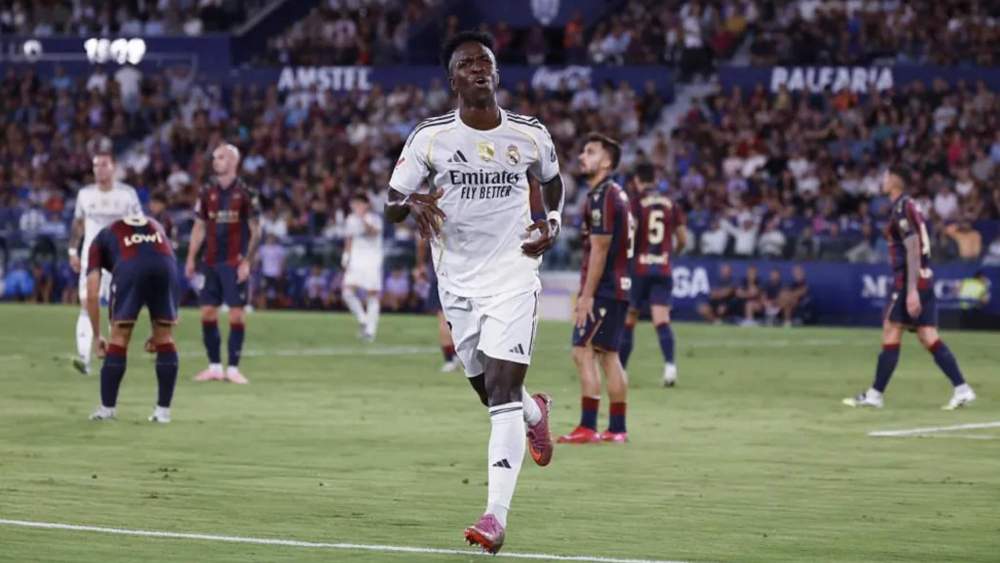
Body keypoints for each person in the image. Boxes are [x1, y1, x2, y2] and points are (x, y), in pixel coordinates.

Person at [384, 31, 563, 554]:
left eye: (485, 62)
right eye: (467, 64)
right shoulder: (430, 137)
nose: (478, 69)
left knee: (502, 393)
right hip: (456, 279)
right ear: (453, 79)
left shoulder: (529, 133)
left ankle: (494, 516)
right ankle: (536, 413)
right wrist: (411, 203)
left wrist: (551, 219)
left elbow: (552, 179)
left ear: (497, 73)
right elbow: (393, 201)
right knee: (488, 391)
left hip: (514, 272)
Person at [844, 167, 976, 410]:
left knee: (891, 329)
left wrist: (912, 290)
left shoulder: (901, 208)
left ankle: (875, 394)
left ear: (895, 181)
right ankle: (962, 389)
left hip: (910, 281)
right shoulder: (910, 205)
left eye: (885, 177)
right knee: (928, 336)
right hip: (923, 277)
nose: (882, 181)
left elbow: (913, 245)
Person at [558, 133, 633, 444]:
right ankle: (616, 428)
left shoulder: (602, 196)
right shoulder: (618, 194)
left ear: (606, 161)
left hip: (603, 290)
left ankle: (588, 427)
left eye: (590, 152)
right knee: (608, 355)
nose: (582, 157)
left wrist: (586, 296)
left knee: (582, 351)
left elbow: (600, 249)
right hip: (619, 286)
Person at [85, 215, 180, 423]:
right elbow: (163, 260)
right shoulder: (155, 223)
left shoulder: (98, 241)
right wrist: (157, 331)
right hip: (167, 265)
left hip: (130, 267)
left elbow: (92, 294)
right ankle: (163, 412)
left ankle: (106, 409)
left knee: (119, 337)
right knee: (164, 338)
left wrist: (97, 336)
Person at [185, 144, 261, 385]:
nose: (215, 161)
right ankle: (215, 366)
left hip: (234, 261)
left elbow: (256, 230)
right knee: (207, 312)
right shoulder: (207, 191)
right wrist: (190, 257)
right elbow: (199, 226)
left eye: (221, 157)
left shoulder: (247, 192)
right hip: (210, 261)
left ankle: (234, 368)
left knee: (236, 315)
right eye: (215, 158)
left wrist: (247, 262)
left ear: (233, 162)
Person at [68, 149, 142, 375]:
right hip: (91, 256)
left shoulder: (127, 195)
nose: (99, 169)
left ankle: (113, 356)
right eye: (96, 165)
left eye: (104, 165)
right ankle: (84, 358)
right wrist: (72, 250)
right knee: (86, 303)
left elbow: (139, 224)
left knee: (117, 308)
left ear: (114, 167)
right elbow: (78, 224)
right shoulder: (85, 194)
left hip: (120, 257)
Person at [619, 163, 686, 387]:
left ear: (638, 180)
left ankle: (622, 372)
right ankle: (670, 368)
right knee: (661, 320)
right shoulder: (671, 203)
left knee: (630, 319)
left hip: (639, 268)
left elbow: (632, 233)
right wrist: (669, 254)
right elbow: (683, 238)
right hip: (663, 268)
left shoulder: (636, 203)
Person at [341, 192, 384, 342]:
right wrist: (345, 257)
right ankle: (363, 319)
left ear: (366, 204)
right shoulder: (350, 220)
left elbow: (372, 232)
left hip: (372, 261)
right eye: (355, 203)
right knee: (347, 292)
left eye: (360, 203)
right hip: (355, 260)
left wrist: (362, 218)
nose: (357, 206)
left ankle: (370, 332)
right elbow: (349, 239)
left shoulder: (375, 218)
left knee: (372, 295)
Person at [415, 236, 459, 372]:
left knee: (442, 317)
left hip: (441, 272)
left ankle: (450, 358)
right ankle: (463, 353)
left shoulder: (433, 215)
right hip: (465, 270)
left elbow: (422, 241)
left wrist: (421, 265)